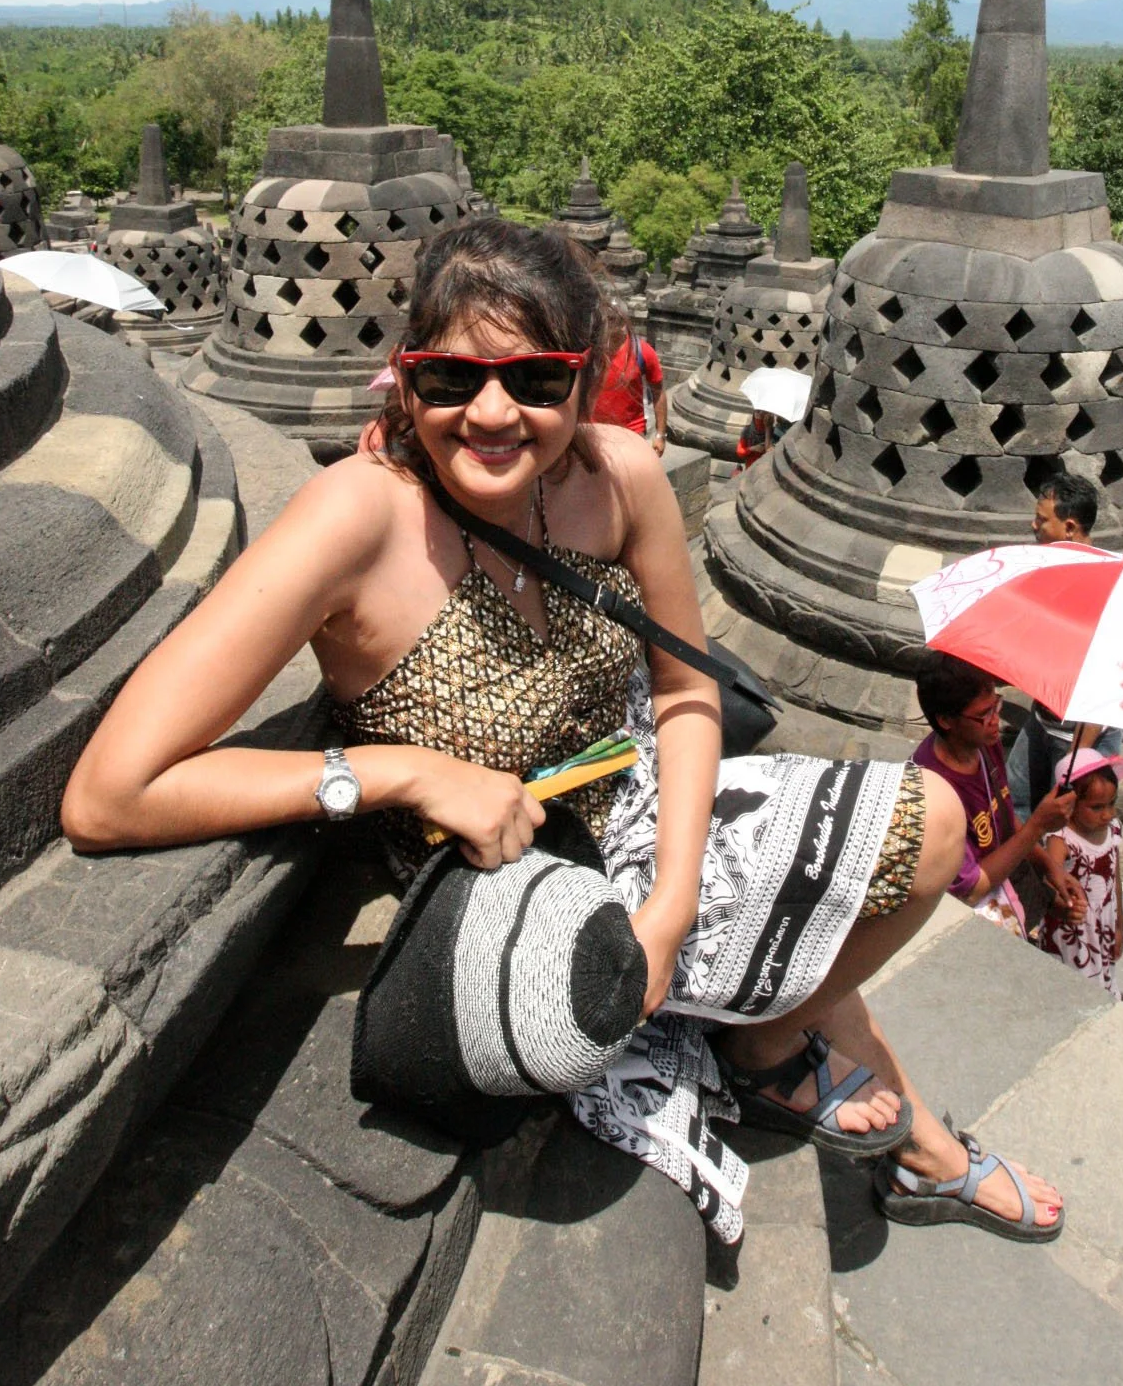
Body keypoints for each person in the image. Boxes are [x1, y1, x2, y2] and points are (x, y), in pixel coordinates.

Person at [61, 216, 1063, 1244]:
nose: (490, 411)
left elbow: (683, 690)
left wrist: (673, 903)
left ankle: (775, 1046)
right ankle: (899, 1130)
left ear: (586, 383)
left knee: (934, 821)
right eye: (450, 380)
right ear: (405, 382)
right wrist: (396, 772)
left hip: (640, 800)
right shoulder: (357, 518)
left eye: (534, 380)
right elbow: (109, 793)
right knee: (814, 953)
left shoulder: (616, 475)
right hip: (515, 874)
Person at [913, 652, 1076, 939]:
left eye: (996, 705)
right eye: (984, 714)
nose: (995, 720)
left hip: (1011, 889)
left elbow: (1003, 814)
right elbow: (971, 888)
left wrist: (1049, 866)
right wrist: (1038, 826)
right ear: (946, 720)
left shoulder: (984, 744)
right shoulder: (933, 791)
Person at [1007, 472, 1123, 821]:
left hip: (1081, 734)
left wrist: (1079, 755)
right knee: (1017, 802)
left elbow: (1106, 680)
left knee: (1073, 826)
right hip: (1043, 717)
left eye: (1043, 520)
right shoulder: (1054, 571)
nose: (1034, 525)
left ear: (1070, 527)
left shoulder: (1104, 587)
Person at [1039, 749, 1123, 999]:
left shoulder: (1112, 829)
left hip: (1104, 921)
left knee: (1101, 975)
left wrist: (1119, 925)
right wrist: (1063, 905)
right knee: (1072, 986)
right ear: (1070, 803)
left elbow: (1115, 879)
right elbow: (1049, 882)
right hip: (1074, 929)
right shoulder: (1061, 839)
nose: (1108, 814)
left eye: (1112, 804)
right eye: (1097, 807)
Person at [591, 326, 667, 455]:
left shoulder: (641, 351)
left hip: (631, 431)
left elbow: (658, 392)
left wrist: (660, 435)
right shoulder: (590, 351)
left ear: (624, 323)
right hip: (594, 431)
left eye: (616, 321)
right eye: (608, 320)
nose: (612, 327)